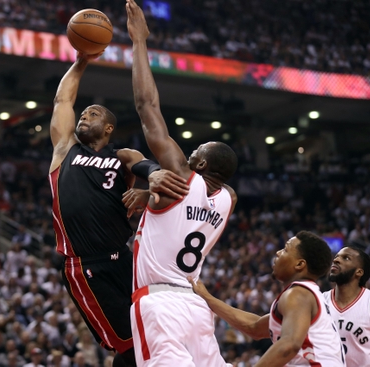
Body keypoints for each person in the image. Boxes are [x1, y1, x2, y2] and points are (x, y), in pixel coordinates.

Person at [48, 41, 190, 367]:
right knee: (126, 347)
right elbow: (63, 99)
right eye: (83, 114)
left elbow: (146, 167)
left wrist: (150, 182)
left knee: (148, 336)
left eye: (93, 114)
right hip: (86, 265)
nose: (85, 116)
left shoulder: (120, 156)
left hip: (124, 259)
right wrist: (82, 62)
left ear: (108, 128)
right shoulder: (65, 151)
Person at [126, 1, 238, 365]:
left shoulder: (181, 174)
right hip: (196, 307)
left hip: (160, 303)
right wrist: (151, 192)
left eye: (194, 152)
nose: (186, 154)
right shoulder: (229, 199)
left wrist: (140, 41)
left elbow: (147, 106)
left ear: (200, 163)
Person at [188, 231, 346, 367]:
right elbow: (255, 327)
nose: (278, 253)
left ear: (299, 264)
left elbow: (289, 345)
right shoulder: (306, 296)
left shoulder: (298, 294)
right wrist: (208, 297)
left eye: (285, 249)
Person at [324, 246, 370, 367]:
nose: (336, 260)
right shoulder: (320, 302)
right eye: (336, 257)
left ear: (359, 272)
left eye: (346, 258)